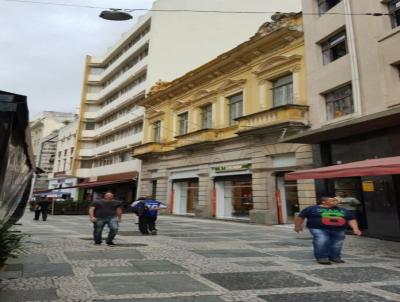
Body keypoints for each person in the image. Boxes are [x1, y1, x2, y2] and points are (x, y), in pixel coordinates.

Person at [294, 196, 362, 265]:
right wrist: (297, 226)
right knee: (322, 240)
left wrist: (355, 229)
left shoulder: (343, 210)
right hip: (318, 228)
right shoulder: (312, 209)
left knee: (337, 243)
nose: (336, 202)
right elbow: (300, 217)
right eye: (333, 200)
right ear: (324, 202)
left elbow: (351, 219)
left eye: (336, 200)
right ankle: (322, 257)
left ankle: (334, 257)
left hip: (339, 229)